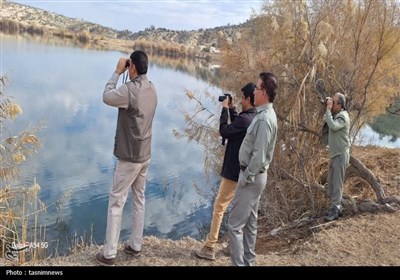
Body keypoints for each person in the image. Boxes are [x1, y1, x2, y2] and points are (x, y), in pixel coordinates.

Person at [96, 50, 157, 266]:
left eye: (129, 66)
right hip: (145, 154)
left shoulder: (129, 90)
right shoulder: (152, 88)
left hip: (129, 157)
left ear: (132, 68)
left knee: (116, 202)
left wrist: (115, 72)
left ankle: (109, 254)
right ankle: (135, 245)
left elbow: (106, 96)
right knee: (139, 198)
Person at [194, 83, 257, 261]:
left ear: (249, 99)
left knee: (219, 207)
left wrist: (223, 111)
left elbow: (225, 131)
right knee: (240, 210)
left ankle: (210, 246)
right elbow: (238, 124)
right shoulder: (253, 117)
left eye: (243, 98)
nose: (241, 100)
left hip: (233, 173)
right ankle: (233, 246)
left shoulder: (245, 120)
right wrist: (232, 109)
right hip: (244, 173)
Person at [228, 72, 278, 266]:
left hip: (252, 178)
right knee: (250, 225)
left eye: (257, 88)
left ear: (264, 92)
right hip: (256, 177)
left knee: (234, 225)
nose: (254, 91)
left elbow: (258, 156)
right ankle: (249, 262)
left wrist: (245, 178)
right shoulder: (263, 114)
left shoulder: (265, 119)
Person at [324, 92, 350, 221]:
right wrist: (328, 107)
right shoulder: (336, 114)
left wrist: (328, 109)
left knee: (337, 184)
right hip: (335, 154)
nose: (331, 104)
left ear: (340, 105)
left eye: (334, 102)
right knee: (332, 184)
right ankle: (336, 208)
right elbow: (326, 121)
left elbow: (333, 127)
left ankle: (336, 209)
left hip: (340, 154)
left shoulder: (343, 117)